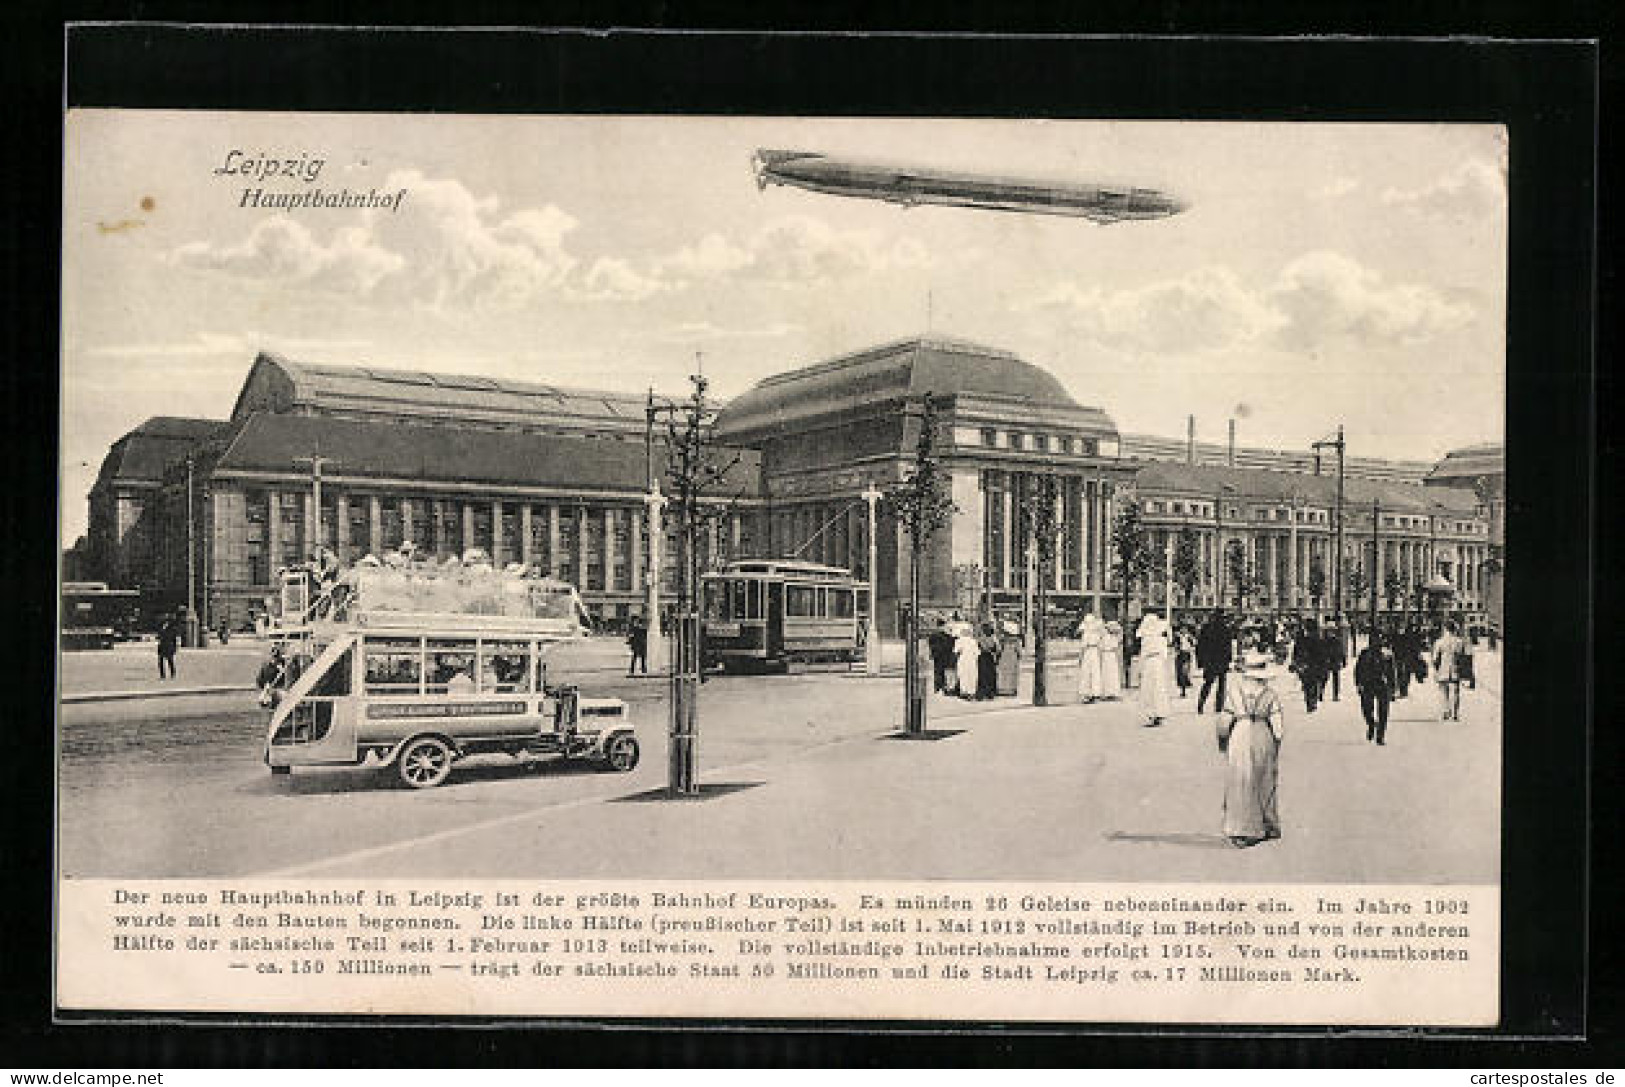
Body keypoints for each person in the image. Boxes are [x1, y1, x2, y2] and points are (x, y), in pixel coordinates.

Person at [1216, 651, 1284, 848]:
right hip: (1262, 733)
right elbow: (1278, 726)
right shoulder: (1269, 695)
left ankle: (1240, 827)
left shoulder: (1234, 693)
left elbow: (1224, 721)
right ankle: (1267, 824)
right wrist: (1277, 742)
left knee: (1240, 779)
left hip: (1239, 733)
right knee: (1263, 779)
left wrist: (1222, 740)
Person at [1137, 612, 1172, 726]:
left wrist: (1140, 669)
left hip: (1149, 664)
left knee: (1150, 689)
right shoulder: (1161, 639)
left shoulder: (1146, 639)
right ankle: (1160, 712)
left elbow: (1143, 654)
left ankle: (1152, 714)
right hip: (1159, 664)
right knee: (1159, 688)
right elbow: (1165, 654)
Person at [1196, 610, 1232, 714]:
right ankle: (1218, 707)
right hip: (1221, 661)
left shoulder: (1206, 628)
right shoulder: (1225, 629)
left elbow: (1200, 646)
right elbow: (1228, 647)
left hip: (1210, 661)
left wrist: (1200, 661)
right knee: (1221, 685)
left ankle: (1201, 704)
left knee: (1208, 683)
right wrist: (1228, 660)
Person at [1431, 620, 1466, 721]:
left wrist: (1436, 669)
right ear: (1454, 629)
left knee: (1443, 692)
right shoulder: (1459, 642)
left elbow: (1435, 659)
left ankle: (1446, 712)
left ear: (1445, 629)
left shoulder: (1439, 642)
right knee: (1456, 692)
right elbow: (1463, 657)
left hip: (1443, 670)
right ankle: (1455, 714)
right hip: (1456, 669)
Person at [1292, 618, 1325, 713]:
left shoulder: (1311, 638)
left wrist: (1295, 661)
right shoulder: (1314, 638)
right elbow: (1296, 651)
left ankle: (1311, 702)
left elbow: (1296, 651)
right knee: (1310, 684)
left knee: (1310, 684)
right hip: (1309, 664)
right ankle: (1311, 702)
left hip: (1309, 664)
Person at [1076, 612, 1105, 703]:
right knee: (1095, 672)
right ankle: (1096, 693)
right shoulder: (1097, 633)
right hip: (1095, 652)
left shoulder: (1086, 634)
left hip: (1088, 652)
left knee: (1086, 673)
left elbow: (1083, 646)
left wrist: (1080, 657)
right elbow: (1101, 643)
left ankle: (1087, 693)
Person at [928, 618, 956, 694]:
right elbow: (951, 644)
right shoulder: (947, 636)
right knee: (944, 671)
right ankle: (943, 687)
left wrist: (932, 653)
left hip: (937, 656)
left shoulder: (933, 635)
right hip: (945, 656)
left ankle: (937, 687)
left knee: (937, 671)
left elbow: (931, 645)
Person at [953, 624, 980, 700]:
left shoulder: (959, 640)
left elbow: (955, 651)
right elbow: (978, 653)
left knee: (963, 675)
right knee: (972, 675)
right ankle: (971, 693)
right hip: (972, 660)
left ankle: (964, 692)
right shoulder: (973, 641)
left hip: (963, 660)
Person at [975, 622, 1000, 701]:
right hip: (990, 657)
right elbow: (998, 649)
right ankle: (990, 693)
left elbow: (978, 648)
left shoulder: (980, 638)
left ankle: (981, 694)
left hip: (982, 657)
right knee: (990, 675)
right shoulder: (993, 638)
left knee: (982, 675)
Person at [995, 621, 1022, 697]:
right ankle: (1011, 690)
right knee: (1012, 674)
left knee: (1003, 673)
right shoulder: (1017, 641)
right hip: (1013, 658)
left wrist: (998, 657)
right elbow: (1019, 651)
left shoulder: (1003, 640)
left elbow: (999, 649)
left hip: (1004, 658)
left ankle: (1003, 689)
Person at [1323, 621, 1346, 702]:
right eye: (1329, 631)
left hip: (1335, 661)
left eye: (1332, 631)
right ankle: (1320, 693)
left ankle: (1335, 695)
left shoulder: (1337, 640)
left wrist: (1343, 660)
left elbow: (1341, 651)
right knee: (1324, 678)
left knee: (1336, 679)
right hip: (1326, 661)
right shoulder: (1324, 641)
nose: (1330, 632)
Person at [1100, 620, 1124, 700]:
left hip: (1108, 655)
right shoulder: (1110, 638)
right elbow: (1116, 646)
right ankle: (1110, 692)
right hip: (1109, 656)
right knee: (1110, 673)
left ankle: (1109, 692)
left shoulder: (1106, 637)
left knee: (1109, 673)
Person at [1174, 624, 1195, 698]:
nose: (1183, 630)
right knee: (1180, 673)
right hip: (1180, 655)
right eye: (1182, 629)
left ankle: (1184, 690)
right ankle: (1183, 690)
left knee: (1184, 672)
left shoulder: (1189, 636)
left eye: (1185, 629)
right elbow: (1175, 646)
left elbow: (1194, 644)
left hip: (1186, 655)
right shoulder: (1177, 636)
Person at [156, 616, 179, 680]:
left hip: (169, 646)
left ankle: (172, 673)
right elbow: (159, 637)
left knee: (170, 661)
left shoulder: (172, 629)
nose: (165, 623)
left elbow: (174, 639)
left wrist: (174, 648)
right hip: (162, 646)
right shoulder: (161, 628)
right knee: (161, 661)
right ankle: (162, 675)